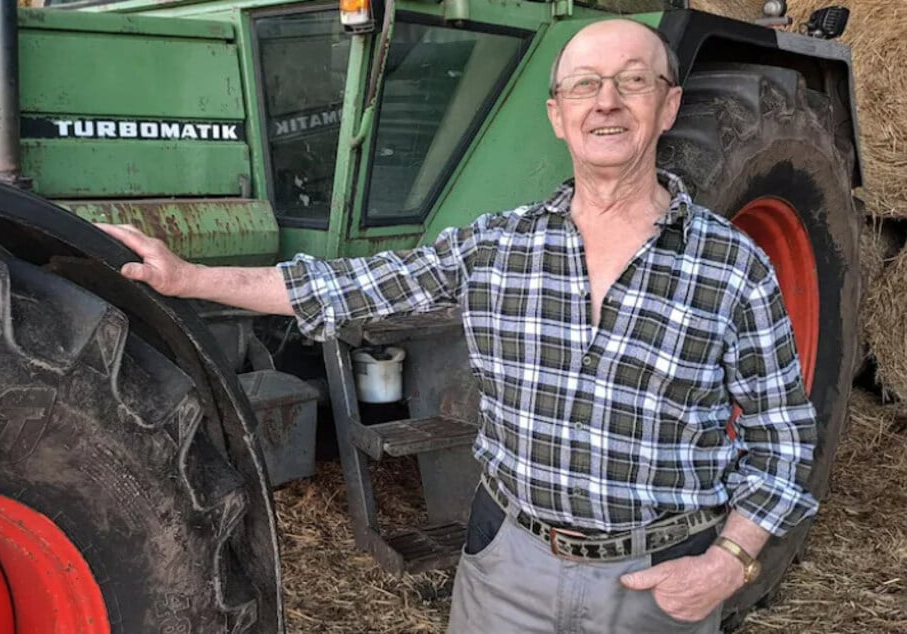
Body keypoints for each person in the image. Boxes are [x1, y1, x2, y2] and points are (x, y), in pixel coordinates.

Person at [99, 18, 818, 634]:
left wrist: (727, 563)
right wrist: (189, 278)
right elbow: (343, 286)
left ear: (668, 107)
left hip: (657, 582)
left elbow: (783, 435)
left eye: (632, 83)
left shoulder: (732, 266)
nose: (606, 102)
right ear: (557, 113)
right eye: (583, 85)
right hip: (508, 571)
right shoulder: (495, 247)